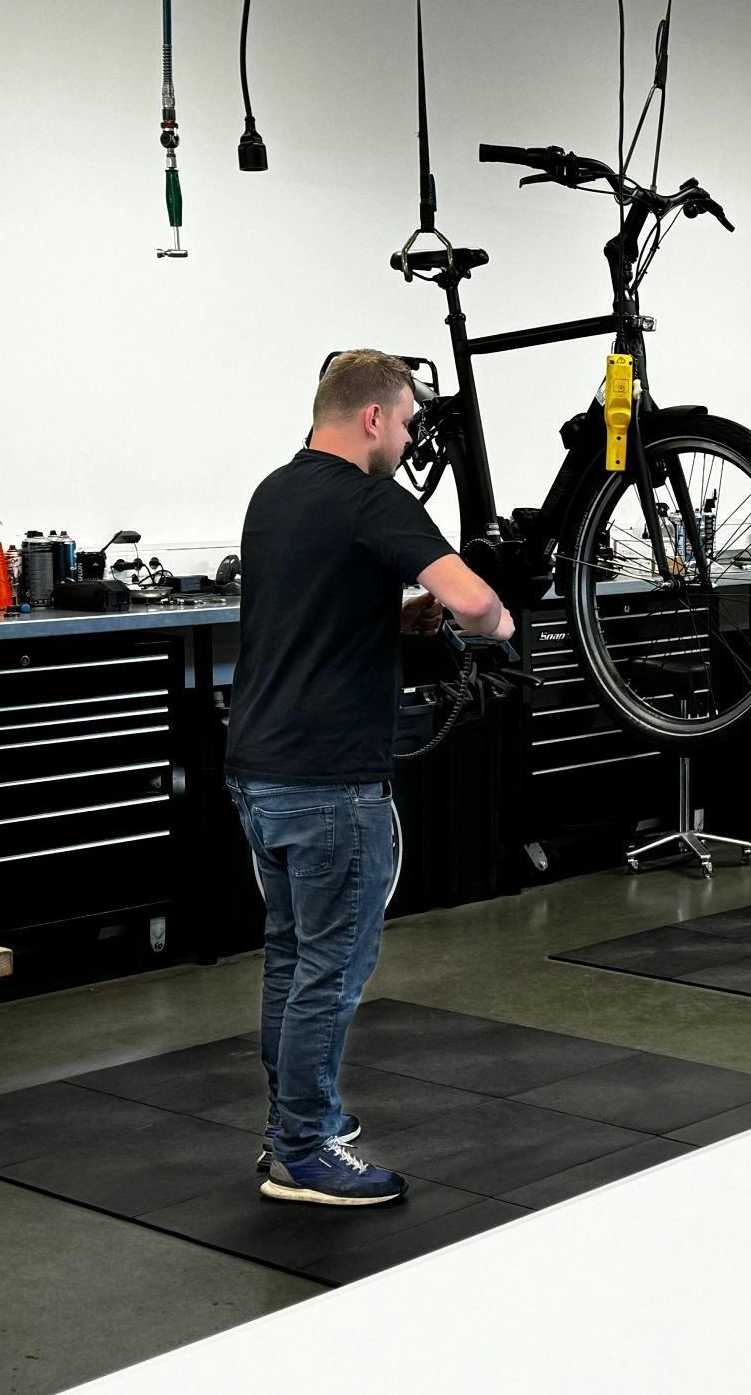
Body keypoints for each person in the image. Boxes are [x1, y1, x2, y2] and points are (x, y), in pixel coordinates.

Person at [226, 349, 513, 1206]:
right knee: (332, 971)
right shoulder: (370, 498)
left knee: (292, 959)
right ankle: (303, 1152)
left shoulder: (274, 492)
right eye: (411, 422)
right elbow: (474, 601)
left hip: (260, 769)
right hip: (330, 783)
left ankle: (295, 1119)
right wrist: (498, 622)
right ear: (374, 417)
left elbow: (314, 612)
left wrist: (397, 618)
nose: (413, 438)